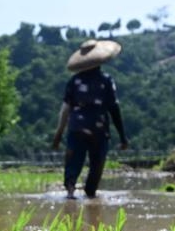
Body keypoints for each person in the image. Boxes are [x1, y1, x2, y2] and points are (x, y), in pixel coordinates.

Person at [52, 40, 129, 199]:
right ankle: (91, 194)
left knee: (73, 161)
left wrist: (58, 134)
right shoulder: (106, 81)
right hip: (98, 129)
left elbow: (65, 109)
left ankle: (71, 191)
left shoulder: (74, 81)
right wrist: (122, 136)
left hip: (76, 128)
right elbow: (114, 108)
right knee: (97, 164)